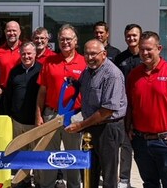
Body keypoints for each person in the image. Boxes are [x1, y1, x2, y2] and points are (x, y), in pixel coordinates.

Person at [126, 31, 167, 188]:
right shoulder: (134, 75)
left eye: (149, 49)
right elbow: (130, 104)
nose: (144, 53)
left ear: (159, 48)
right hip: (141, 141)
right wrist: (128, 127)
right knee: (149, 183)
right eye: (141, 49)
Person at [65, 39, 127, 188]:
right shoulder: (88, 71)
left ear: (104, 54)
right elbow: (84, 90)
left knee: (108, 175)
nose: (90, 57)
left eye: (94, 54)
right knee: (88, 170)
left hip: (108, 128)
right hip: (91, 127)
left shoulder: (112, 75)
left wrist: (80, 125)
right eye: (86, 54)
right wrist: (73, 82)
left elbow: (107, 110)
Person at [35, 24, 86, 188]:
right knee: (49, 155)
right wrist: (38, 115)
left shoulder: (84, 62)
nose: (65, 42)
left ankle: (74, 185)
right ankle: (47, 185)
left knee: (73, 155)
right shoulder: (50, 61)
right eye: (62, 39)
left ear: (75, 41)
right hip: (51, 114)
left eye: (68, 39)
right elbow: (42, 91)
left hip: (74, 116)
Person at [4, 42, 41, 188]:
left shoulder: (41, 70)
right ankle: (22, 181)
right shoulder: (14, 71)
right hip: (17, 121)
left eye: (29, 53)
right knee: (20, 152)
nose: (26, 56)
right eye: (24, 53)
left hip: (35, 121)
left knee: (36, 153)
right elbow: (8, 95)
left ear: (35, 54)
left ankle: (37, 181)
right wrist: (8, 115)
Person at [114, 24, 143, 188]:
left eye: (134, 35)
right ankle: (124, 179)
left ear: (140, 36)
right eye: (128, 36)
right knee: (125, 144)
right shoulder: (120, 58)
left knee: (142, 146)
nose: (131, 38)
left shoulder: (145, 56)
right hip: (124, 107)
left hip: (142, 107)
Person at [0, 21, 22, 114]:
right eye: (9, 31)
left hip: (21, 92)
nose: (12, 33)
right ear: (4, 32)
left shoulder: (26, 49)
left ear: (19, 32)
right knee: (4, 123)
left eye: (14, 30)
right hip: (4, 93)